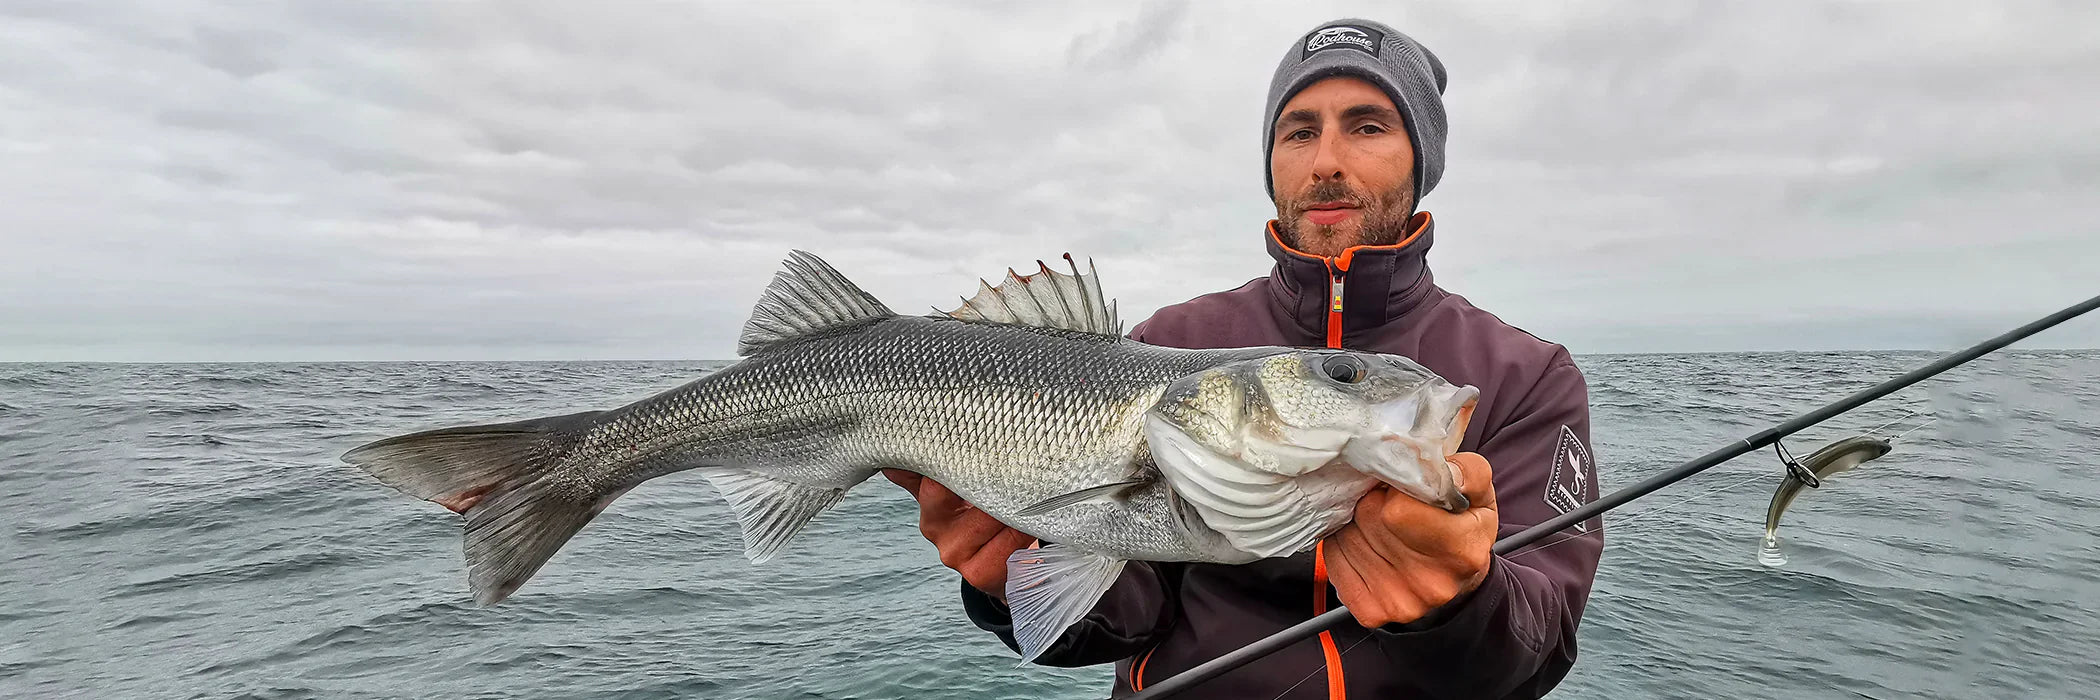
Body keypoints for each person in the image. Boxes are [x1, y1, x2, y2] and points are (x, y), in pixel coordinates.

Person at [882, 17, 1603, 699]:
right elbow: (1130, 615)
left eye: (1368, 126)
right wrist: (1007, 575)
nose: (1326, 161)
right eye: (1298, 132)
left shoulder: (1525, 376)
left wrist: (1463, 604)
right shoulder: (1169, 342)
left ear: (1422, 159)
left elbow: (1539, 647)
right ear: (1272, 162)